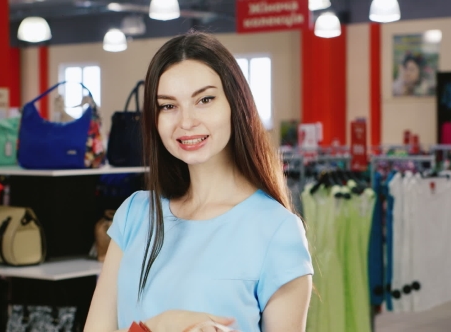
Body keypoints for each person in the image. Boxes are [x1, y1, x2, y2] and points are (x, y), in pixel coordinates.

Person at [84, 31, 313, 332]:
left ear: (236, 104)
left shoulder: (277, 230)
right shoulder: (135, 215)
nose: (186, 121)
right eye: (168, 106)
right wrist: (158, 327)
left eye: (204, 99)